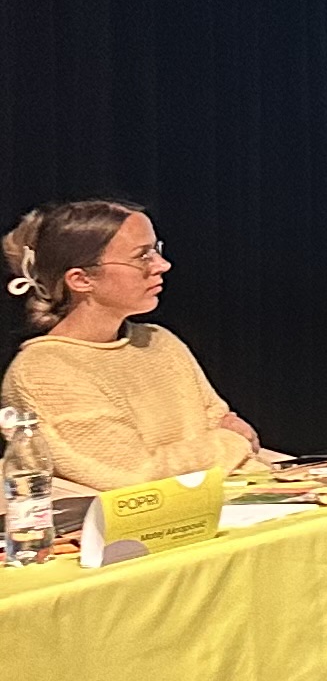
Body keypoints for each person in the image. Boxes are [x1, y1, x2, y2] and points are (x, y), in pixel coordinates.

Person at [3, 199, 269, 491]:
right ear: (81, 279)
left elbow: (226, 425)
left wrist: (228, 441)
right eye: (142, 256)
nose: (163, 265)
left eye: (156, 250)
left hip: (233, 498)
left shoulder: (159, 341)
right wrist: (230, 443)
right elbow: (136, 476)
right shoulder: (43, 372)